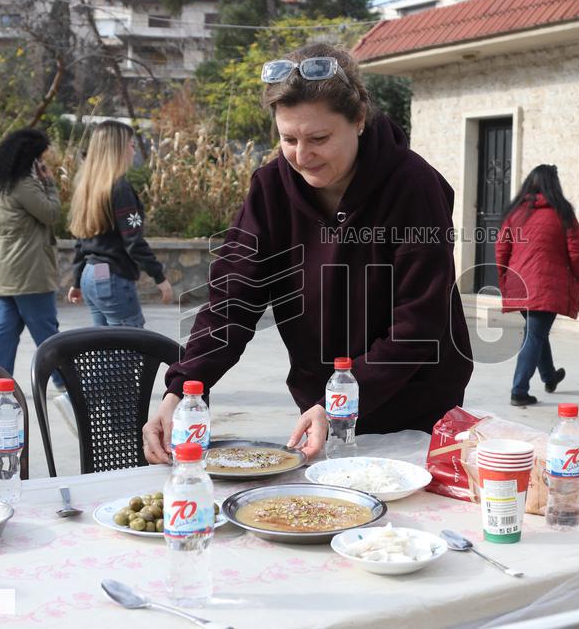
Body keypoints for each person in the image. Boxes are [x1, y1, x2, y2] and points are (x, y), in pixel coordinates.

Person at [142, 43, 474, 462]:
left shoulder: (414, 187)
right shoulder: (270, 190)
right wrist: (182, 388)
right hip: (318, 399)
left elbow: (418, 321)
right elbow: (232, 303)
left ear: (358, 120)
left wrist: (343, 399)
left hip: (416, 401)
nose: (302, 156)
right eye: (288, 139)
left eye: (319, 138)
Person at [0, 128, 65, 393]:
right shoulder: (23, 184)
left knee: (3, 326)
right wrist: (49, 183)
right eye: (40, 157)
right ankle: (64, 378)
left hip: (3, 268)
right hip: (27, 270)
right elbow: (50, 213)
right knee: (45, 327)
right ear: (30, 157)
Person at [495, 164, 579, 407]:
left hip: (519, 282)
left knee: (535, 332)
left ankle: (549, 376)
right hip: (547, 284)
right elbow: (576, 251)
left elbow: (502, 249)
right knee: (534, 334)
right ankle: (519, 390)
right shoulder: (563, 213)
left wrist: (504, 278)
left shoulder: (514, 212)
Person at [66, 120, 173, 326]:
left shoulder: (89, 187)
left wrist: (77, 280)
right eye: (132, 145)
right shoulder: (119, 188)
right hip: (112, 278)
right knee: (128, 349)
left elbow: (82, 240)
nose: (134, 152)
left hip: (92, 274)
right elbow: (133, 241)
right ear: (117, 149)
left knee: (106, 351)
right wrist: (160, 277)